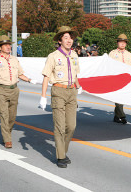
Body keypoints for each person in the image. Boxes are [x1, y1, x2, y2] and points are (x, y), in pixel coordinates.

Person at [39, 26, 82, 168]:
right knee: (59, 127)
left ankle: (63, 151)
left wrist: (78, 86)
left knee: (71, 126)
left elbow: (75, 74)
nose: (69, 40)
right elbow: (46, 76)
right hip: (58, 91)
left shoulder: (75, 55)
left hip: (72, 92)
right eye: (66, 38)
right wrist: (43, 96)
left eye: (70, 38)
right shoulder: (53, 56)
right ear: (59, 40)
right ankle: (61, 156)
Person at [0, 35, 37, 148]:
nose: (8, 46)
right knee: (4, 116)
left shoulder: (14, 59)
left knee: (12, 117)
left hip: (14, 90)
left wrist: (29, 80)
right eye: (5, 45)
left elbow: (20, 74)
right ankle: (7, 139)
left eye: (9, 44)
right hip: (1, 90)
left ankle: (7, 132)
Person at [108, 34, 131, 124]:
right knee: (118, 98)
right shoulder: (112, 53)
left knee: (121, 98)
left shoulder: (129, 54)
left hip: (125, 79)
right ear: (117, 43)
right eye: (121, 42)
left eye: (124, 42)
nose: (122, 44)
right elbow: (108, 66)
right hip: (116, 78)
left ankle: (116, 116)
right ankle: (122, 116)